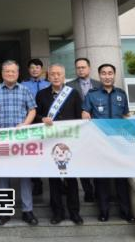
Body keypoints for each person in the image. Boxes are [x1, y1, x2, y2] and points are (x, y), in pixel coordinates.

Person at [82, 63, 135, 224]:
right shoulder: (92, 95)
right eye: (104, 73)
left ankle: (126, 212)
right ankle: (104, 211)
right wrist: (85, 114)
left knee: (122, 178)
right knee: (102, 178)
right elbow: (85, 112)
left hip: (119, 142)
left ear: (114, 75)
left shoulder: (121, 94)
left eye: (110, 73)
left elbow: (125, 115)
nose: (107, 76)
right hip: (100, 142)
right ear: (99, 76)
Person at [0, 60, 38, 226]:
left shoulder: (25, 89)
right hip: (2, 138)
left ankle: (27, 211)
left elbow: (32, 110)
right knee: (2, 175)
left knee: (25, 175)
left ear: (18, 73)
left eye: (13, 71)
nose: (10, 74)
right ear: (2, 73)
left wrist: (25, 124)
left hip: (21, 139)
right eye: (7, 71)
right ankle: (3, 211)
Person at [35, 64, 83, 225]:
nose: (56, 77)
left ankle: (74, 212)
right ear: (48, 76)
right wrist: (42, 119)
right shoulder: (41, 94)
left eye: (59, 74)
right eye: (53, 74)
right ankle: (57, 213)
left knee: (71, 178)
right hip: (50, 142)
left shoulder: (73, 93)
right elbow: (36, 115)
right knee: (54, 179)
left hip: (70, 141)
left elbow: (79, 116)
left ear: (64, 76)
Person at [66, 57, 102, 202]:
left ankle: (99, 190)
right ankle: (88, 190)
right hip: (78, 129)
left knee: (97, 159)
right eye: (78, 68)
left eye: (83, 67)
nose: (80, 70)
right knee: (82, 159)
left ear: (89, 68)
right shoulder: (69, 86)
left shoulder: (99, 84)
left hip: (97, 128)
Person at [21, 58, 50, 196]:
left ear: (41, 69)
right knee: (32, 152)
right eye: (32, 67)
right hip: (30, 120)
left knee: (47, 149)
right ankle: (36, 182)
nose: (35, 70)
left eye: (37, 67)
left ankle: (56, 180)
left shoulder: (48, 84)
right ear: (28, 70)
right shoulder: (23, 85)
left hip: (46, 121)